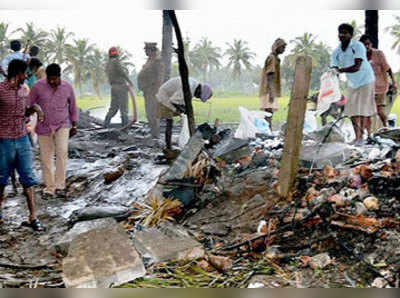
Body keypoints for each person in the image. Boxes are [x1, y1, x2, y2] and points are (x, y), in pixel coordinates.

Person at [0, 59, 45, 231]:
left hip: (22, 138)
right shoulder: (1, 90)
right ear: (17, 73)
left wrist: (35, 109)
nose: (26, 76)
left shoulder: (23, 91)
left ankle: (33, 217)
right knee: (1, 179)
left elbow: (25, 111)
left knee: (28, 178)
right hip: (4, 140)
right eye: (24, 73)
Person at [29, 63, 79, 199]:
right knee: (46, 157)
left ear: (60, 76)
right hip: (43, 126)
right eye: (49, 79)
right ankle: (49, 188)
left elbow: (73, 106)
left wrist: (74, 125)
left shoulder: (67, 87)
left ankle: (60, 185)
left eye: (55, 79)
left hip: (62, 124)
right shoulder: (38, 86)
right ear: (46, 77)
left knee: (62, 152)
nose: (52, 81)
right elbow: (29, 104)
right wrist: (35, 110)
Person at [331, 23, 376, 145]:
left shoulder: (358, 46)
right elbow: (333, 67)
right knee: (352, 110)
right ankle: (357, 137)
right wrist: (333, 72)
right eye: (340, 32)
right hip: (352, 82)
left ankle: (363, 137)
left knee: (363, 110)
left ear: (350, 35)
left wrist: (341, 70)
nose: (342, 35)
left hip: (366, 79)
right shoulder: (336, 51)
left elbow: (357, 66)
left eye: (345, 33)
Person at [157, 76, 213, 150]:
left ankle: (168, 144)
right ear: (200, 90)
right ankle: (168, 146)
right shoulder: (188, 88)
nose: (197, 97)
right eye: (199, 96)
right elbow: (173, 101)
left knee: (180, 114)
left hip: (171, 96)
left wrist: (184, 109)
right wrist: (183, 110)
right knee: (169, 121)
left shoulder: (194, 85)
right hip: (164, 97)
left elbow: (182, 100)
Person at [359, 34, 398, 130]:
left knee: (378, 110)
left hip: (380, 86)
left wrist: (394, 83)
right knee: (366, 111)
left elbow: (388, 69)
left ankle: (386, 126)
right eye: (364, 45)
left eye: (368, 44)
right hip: (367, 86)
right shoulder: (360, 57)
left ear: (371, 44)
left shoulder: (379, 54)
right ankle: (367, 133)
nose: (366, 47)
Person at [137, 42, 164, 138]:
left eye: (146, 50)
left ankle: (155, 135)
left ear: (151, 50)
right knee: (149, 113)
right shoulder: (149, 60)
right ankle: (153, 133)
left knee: (153, 113)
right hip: (147, 91)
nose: (145, 51)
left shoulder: (157, 61)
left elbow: (159, 78)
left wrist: (156, 91)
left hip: (153, 91)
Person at [104, 47, 135, 127]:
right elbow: (122, 72)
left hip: (113, 87)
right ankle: (125, 127)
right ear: (117, 54)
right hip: (121, 87)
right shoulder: (116, 62)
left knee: (113, 108)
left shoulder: (108, 64)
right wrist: (129, 81)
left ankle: (105, 124)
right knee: (124, 109)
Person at [259, 38, 287, 127]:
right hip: (269, 89)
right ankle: (267, 129)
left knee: (269, 112)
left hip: (270, 89)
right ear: (277, 47)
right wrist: (271, 92)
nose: (284, 49)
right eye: (282, 47)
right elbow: (270, 75)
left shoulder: (275, 58)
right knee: (269, 112)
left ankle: (267, 129)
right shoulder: (272, 58)